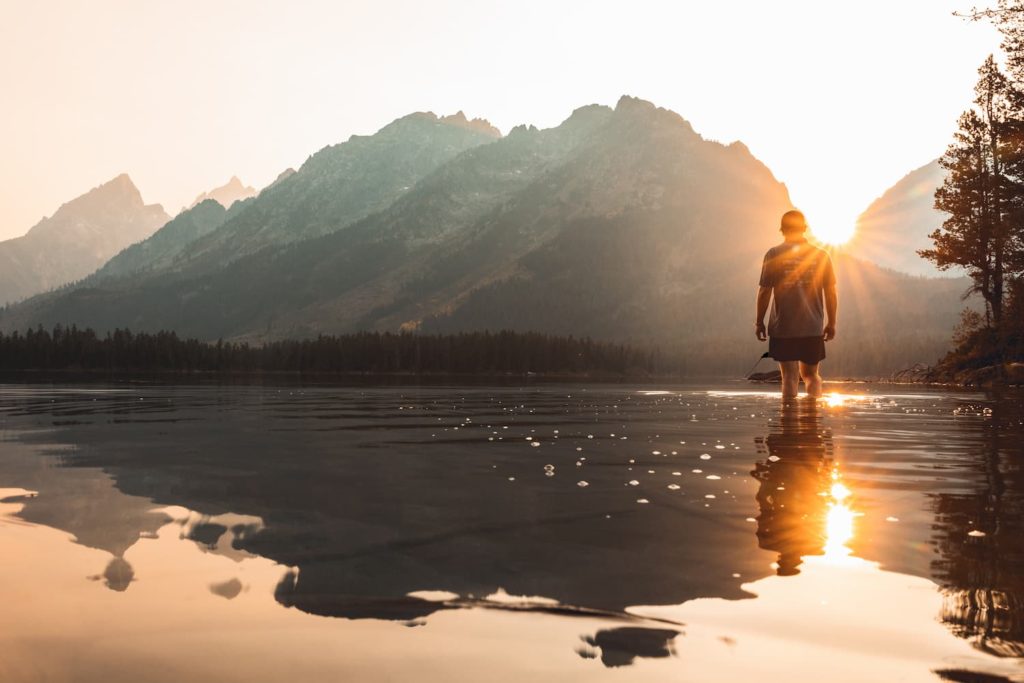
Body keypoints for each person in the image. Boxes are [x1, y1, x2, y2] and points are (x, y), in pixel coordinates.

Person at [754, 210, 837, 398]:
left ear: (782, 229)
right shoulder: (821, 255)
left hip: (784, 327)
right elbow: (831, 292)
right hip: (812, 327)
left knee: (790, 377)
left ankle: (789, 425)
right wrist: (831, 323)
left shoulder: (774, 254)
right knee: (812, 376)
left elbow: (764, 291)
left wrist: (759, 322)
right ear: (804, 228)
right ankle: (812, 420)